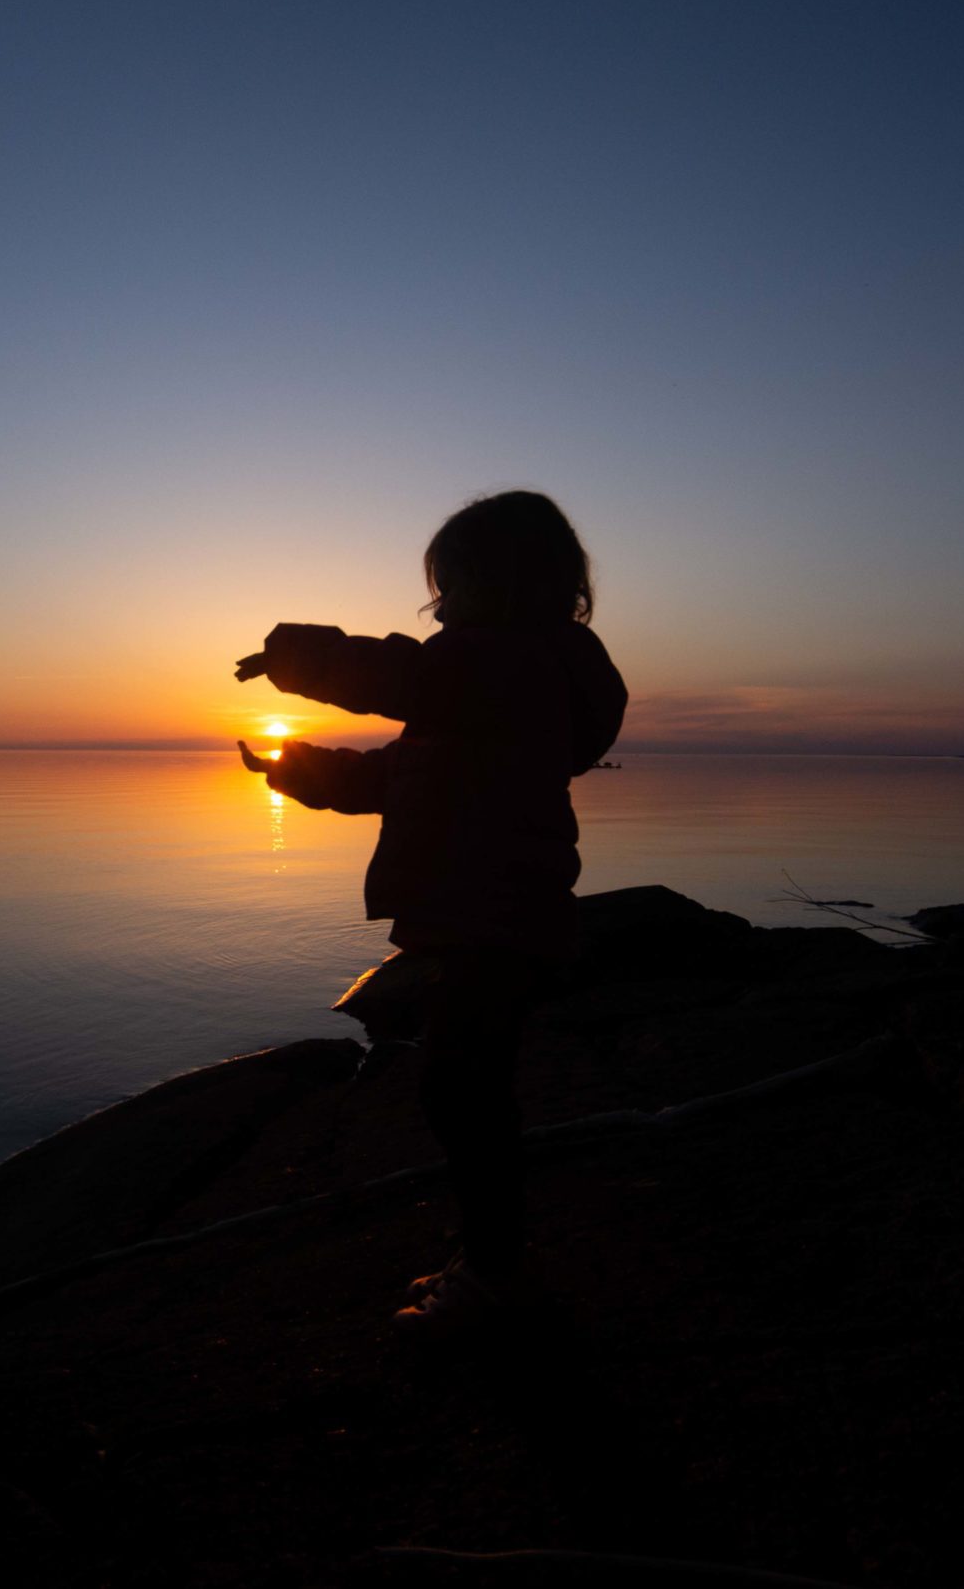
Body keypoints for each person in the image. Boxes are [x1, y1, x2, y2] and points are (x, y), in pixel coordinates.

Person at [235, 490, 627, 1332]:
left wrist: (294, 655)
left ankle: (497, 1277)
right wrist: (299, 773)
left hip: (498, 909)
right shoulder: (493, 689)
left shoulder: (511, 666)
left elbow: (403, 674)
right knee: (466, 1088)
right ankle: (494, 1260)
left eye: (450, 586)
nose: (440, 604)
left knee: (463, 1092)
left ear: (508, 581)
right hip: (487, 911)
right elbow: (400, 777)